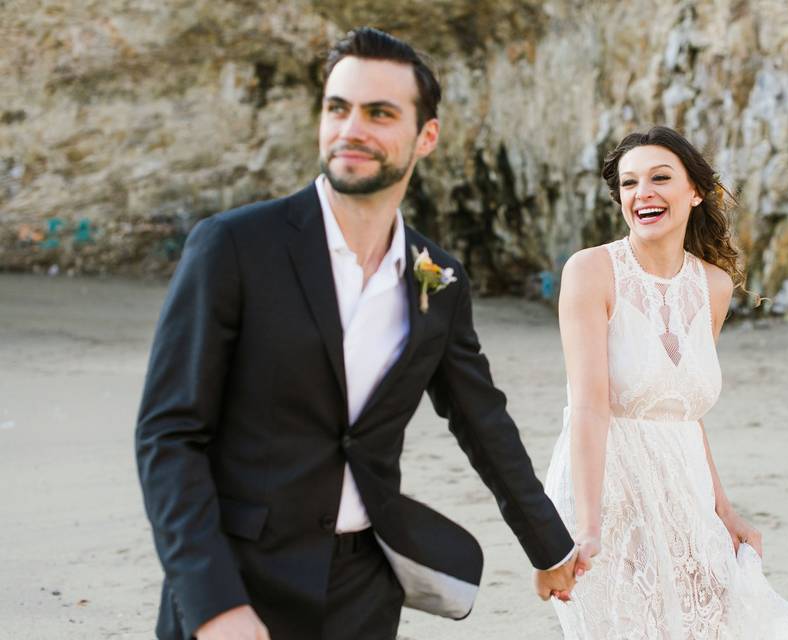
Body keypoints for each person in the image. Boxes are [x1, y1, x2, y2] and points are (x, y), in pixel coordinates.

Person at [136, 27, 583, 640]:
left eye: (379, 113)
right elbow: (170, 433)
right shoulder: (234, 247)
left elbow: (481, 420)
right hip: (238, 578)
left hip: (365, 588)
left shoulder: (439, 277)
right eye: (337, 108)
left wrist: (550, 546)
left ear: (426, 136)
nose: (352, 129)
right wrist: (212, 603)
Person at [543, 126, 788, 638]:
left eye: (659, 178)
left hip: (684, 490)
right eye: (629, 184)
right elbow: (589, 407)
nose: (642, 193)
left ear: (694, 192)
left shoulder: (714, 287)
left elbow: (684, 411)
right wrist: (586, 529)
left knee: (716, 622)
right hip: (606, 490)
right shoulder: (591, 271)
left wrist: (724, 507)